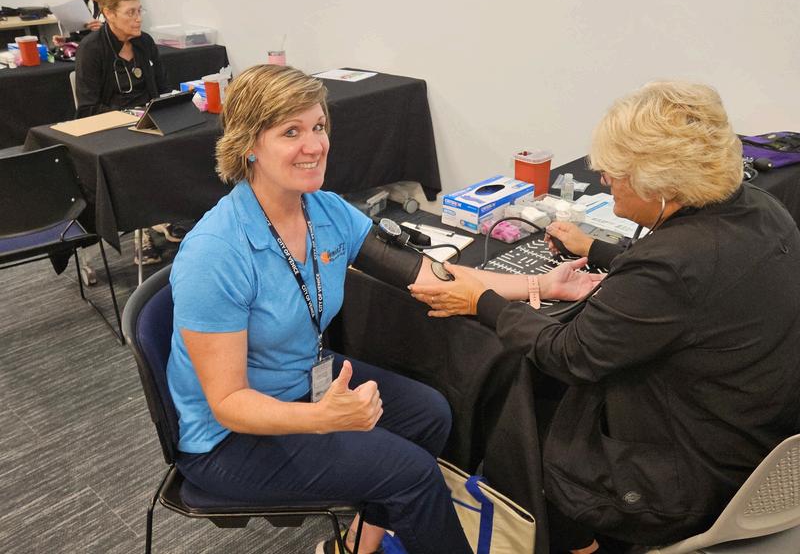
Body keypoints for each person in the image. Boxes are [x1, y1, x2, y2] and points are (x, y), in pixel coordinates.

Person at [168, 64, 597, 554]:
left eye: (318, 126)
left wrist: (539, 283)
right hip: (228, 439)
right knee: (411, 474)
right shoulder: (215, 252)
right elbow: (228, 403)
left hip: (301, 384)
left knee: (431, 415)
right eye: (291, 132)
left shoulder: (323, 209)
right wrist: (323, 418)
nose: (315, 145)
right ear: (248, 145)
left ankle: (359, 542)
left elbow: (427, 274)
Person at [409, 81, 800, 553]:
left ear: (660, 184)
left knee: (523, 421)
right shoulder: (763, 209)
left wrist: (483, 301)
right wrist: (595, 248)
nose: (603, 180)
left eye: (614, 173)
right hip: (768, 453)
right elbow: (695, 279)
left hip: (697, 482)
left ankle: (581, 546)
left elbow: (567, 353)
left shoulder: (669, 266)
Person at [74, 0, 178, 264]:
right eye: (130, 12)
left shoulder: (145, 43)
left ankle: (174, 214)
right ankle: (144, 229)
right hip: (111, 130)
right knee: (138, 158)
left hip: (149, 122)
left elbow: (163, 88)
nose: (138, 18)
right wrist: (131, 116)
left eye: (139, 11)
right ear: (109, 13)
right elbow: (87, 108)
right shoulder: (91, 49)